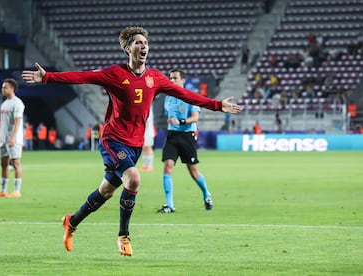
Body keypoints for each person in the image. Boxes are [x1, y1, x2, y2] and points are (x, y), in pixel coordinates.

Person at [22, 26, 243, 257]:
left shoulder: (155, 78)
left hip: (135, 144)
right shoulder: (114, 74)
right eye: (138, 42)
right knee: (134, 178)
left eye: (145, 43)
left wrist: (217, 105)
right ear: (128, 48)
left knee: (106, 191)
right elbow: (83, 76)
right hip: (113, 139)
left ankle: (71, 222)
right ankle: (123, 235)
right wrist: (47, 77)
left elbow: (186, 95)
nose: (143, 46)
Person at [157, 69, 213, 213]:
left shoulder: (190, 96)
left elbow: (195, 118)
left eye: (175, 78)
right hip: (172, 135)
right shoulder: (168, 97)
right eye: (170, 78)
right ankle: (170, 205)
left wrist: (180, 121)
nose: (172, 81)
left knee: (193, 171)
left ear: (183, 80)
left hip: (187, 135)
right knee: (168, 165)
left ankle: (207, 194)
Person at [0, 78, 25, 198]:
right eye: (2, 87)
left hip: (13, 139)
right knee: (4, 164)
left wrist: (13, 138)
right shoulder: (4, 104)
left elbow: (18, 122)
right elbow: (2, 122)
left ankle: (17, 191)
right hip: (3, 139)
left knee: (16, 163)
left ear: (12, 88)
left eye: (5, 87)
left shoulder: (17, 103)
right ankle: (3, 190)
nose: (2, 89)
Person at [139, 106, 155, 171]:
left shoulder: (148, 109)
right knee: (144, 148)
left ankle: (150, 165)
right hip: (144, 132)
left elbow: (147, 121)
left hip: (148, 132)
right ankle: (145, 165)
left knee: (148, 148)